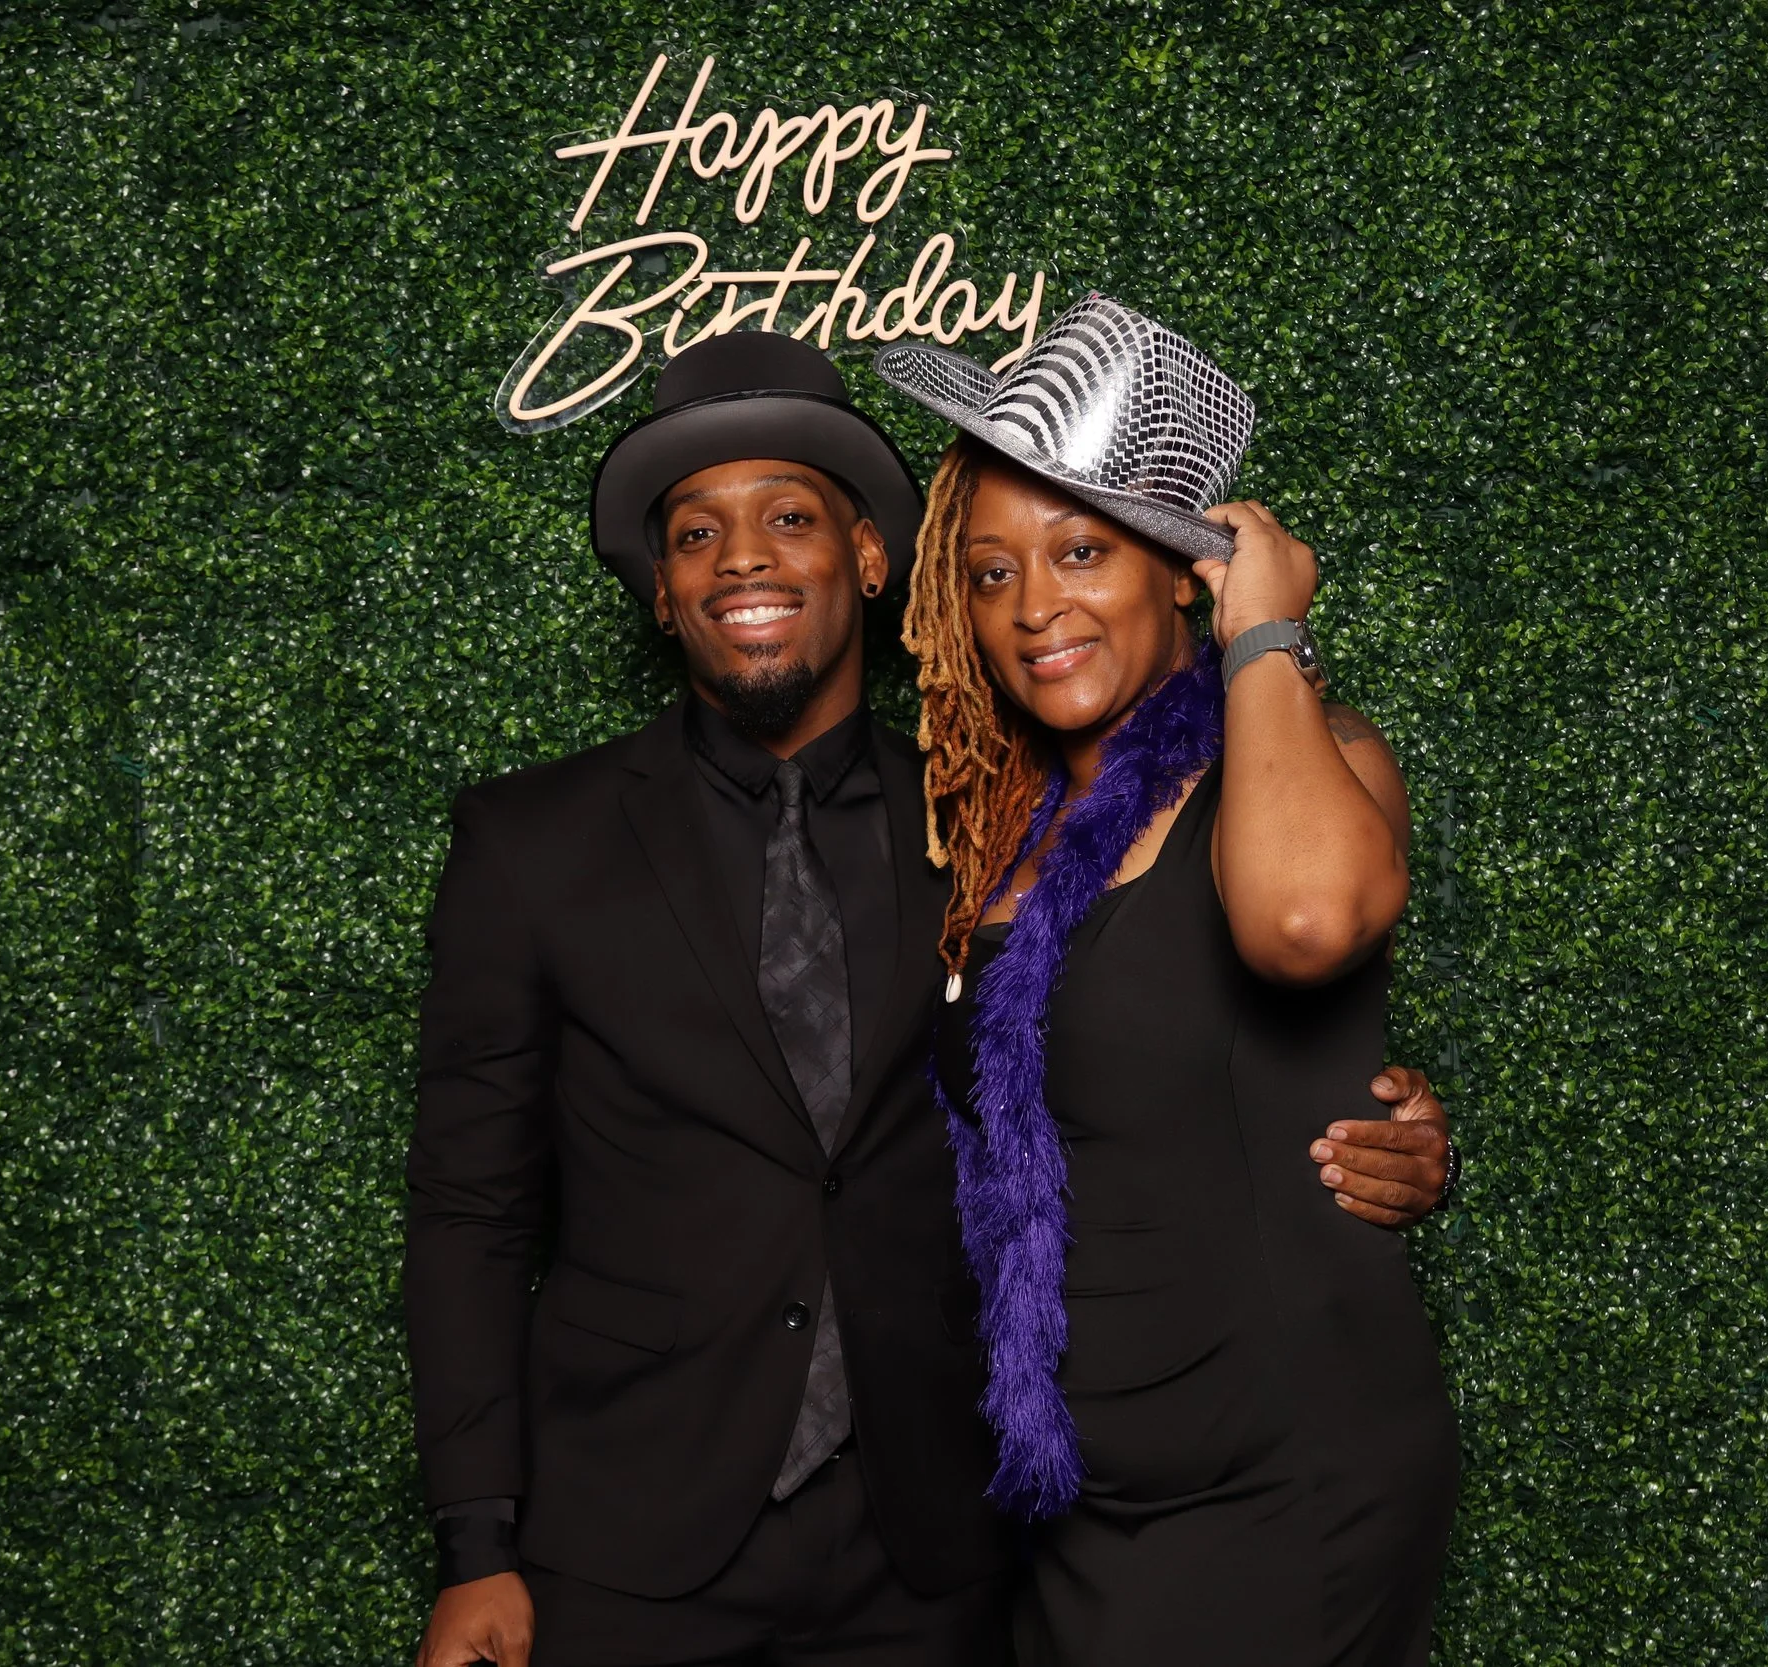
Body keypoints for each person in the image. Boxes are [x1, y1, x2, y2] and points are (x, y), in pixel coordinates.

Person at [406, 330, 1458, 1667]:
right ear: (659, 590)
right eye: (997, 571)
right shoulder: (553, 842)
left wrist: (1382, 1123)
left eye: (789, 516)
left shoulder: (979, 808)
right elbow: (471, 1206)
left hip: (947, 1541)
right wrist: (476, 1544)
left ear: (866, 559)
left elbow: (1274, 943)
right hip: (674, 1537)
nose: (742, 559)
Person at [875, 297, 1459, 1666]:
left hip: (1280, 1483)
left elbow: (1308, 921)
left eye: (1081, 551)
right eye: (988, 570)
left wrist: (1267, 635)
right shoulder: (997, 835)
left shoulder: (1315, 758)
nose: (1033, 608)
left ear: (1178, 569)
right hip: (1078, 1507)